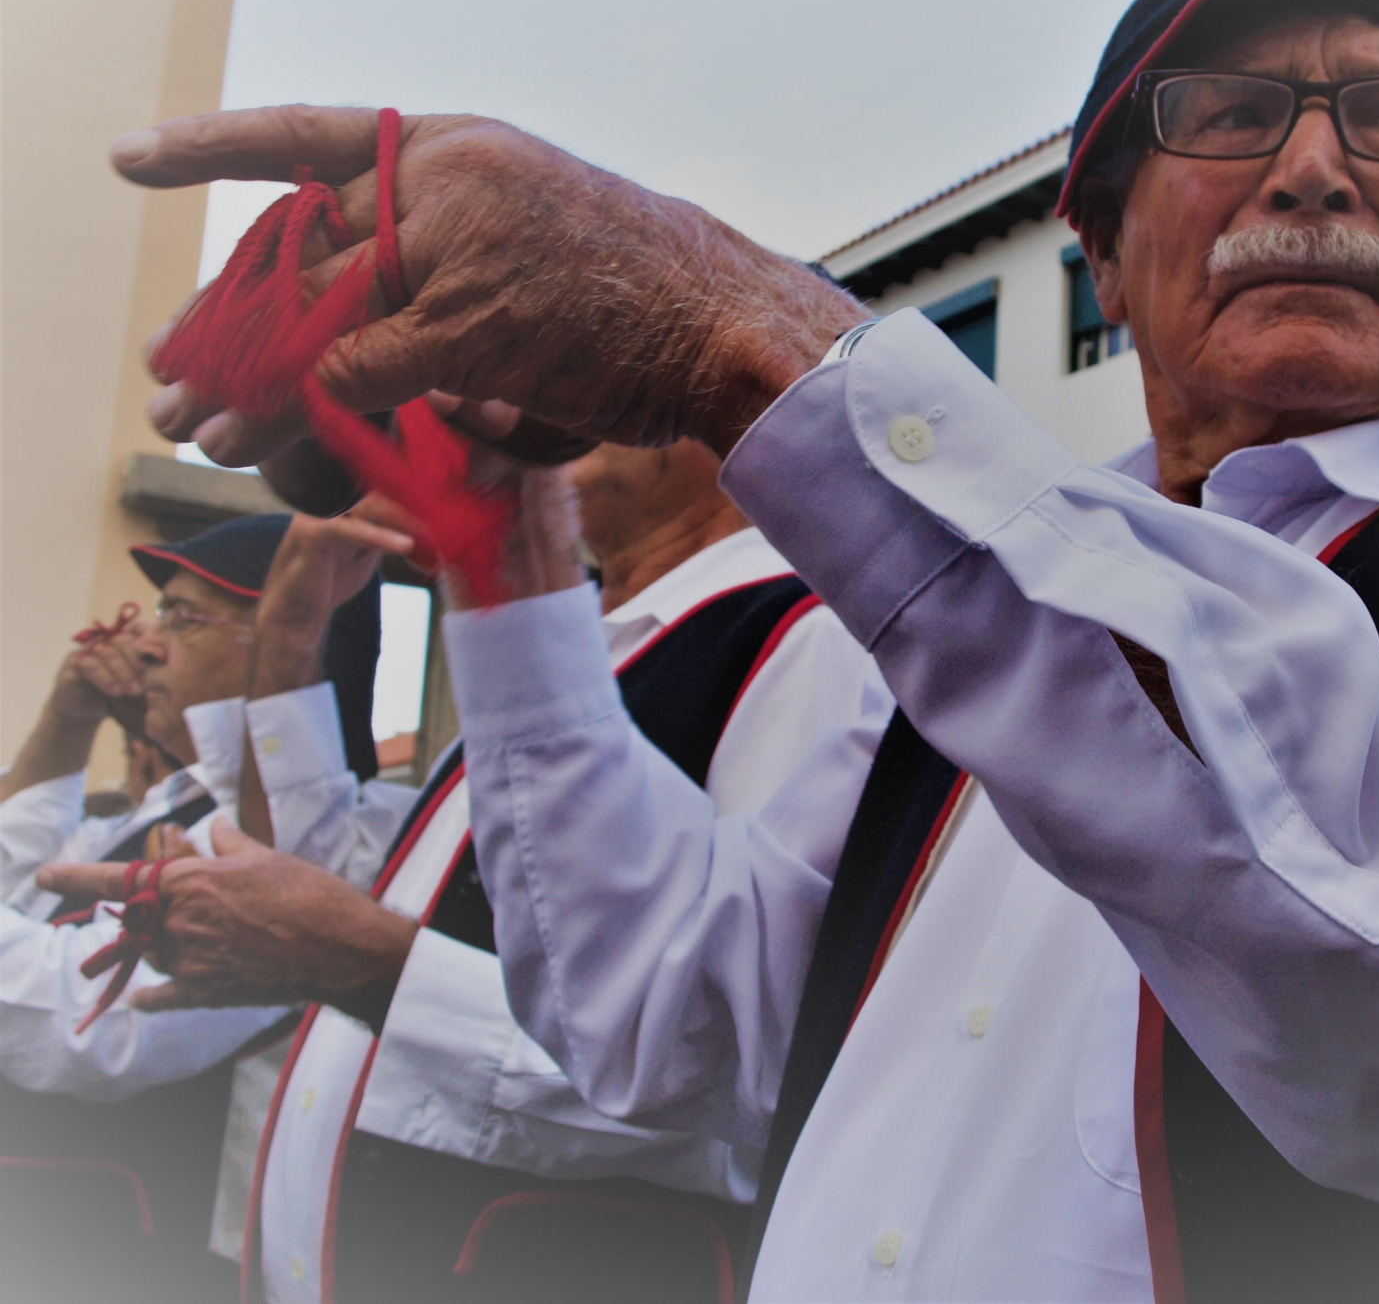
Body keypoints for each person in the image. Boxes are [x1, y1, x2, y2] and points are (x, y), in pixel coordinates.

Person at [121, 0, 1379, 1303]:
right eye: (1230, 115)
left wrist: (738, 331)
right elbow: (677, 1038)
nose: (1315, 170)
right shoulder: (975, 571)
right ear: (1102, 247)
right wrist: (510, 551)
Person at [46, 441, 882, 1304]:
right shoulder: (568, 642)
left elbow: (736, 1078)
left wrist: (359, 966)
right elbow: (327, 888)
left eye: (580, 368)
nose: (537, 418)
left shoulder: (800, 637)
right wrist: (294, 623)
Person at [0, 512, 404, 1301]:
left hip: (151, 1262)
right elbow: (20, 890)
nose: (148, 644)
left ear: (287, 642)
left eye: (183, 620)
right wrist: (66, 722)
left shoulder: (302, 851)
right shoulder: (175, 802)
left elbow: (93, 1024)